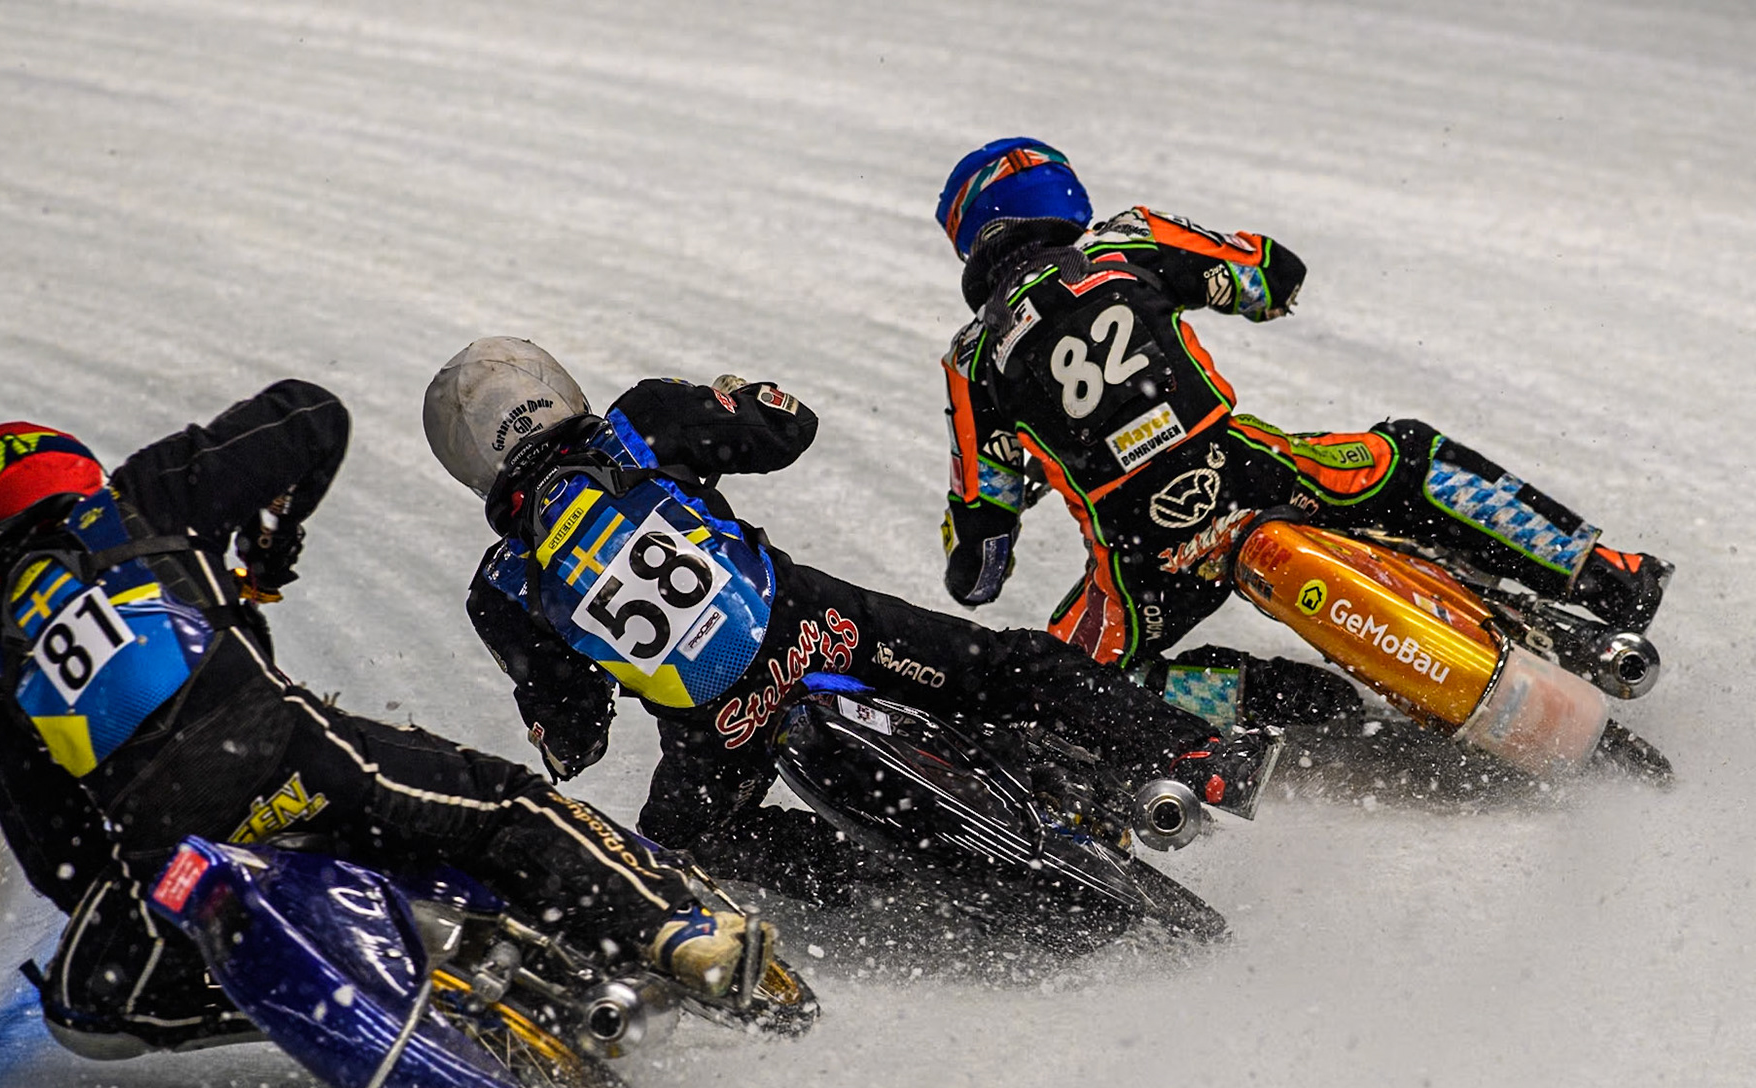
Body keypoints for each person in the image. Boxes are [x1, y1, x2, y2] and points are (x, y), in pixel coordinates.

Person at [0, 380, 764, 1058]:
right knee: (500, 804)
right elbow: (311, 415)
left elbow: (58, 857)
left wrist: (143, 891)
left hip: (173, 850)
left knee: (83, 1012)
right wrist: (274, 536)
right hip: (287, 754)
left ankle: (292, 995)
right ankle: (671, 924)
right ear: (76, 479)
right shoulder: (143, 498)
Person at [424, 337, 1272, 910]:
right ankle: (1206, 756)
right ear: (550, 385)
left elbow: (577, 732)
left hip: (717, 737)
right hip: (821, 628)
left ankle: (888, 903)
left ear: (470, 466)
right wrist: (740, 399)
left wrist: (559, 738)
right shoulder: (640, 422)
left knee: (676, 872)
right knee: (1013, 665)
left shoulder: (498, 588)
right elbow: (788, 427)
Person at [931, 137, 1673, 729]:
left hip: (1142, 558)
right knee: (1407, 457)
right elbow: (1270, 275)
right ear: (1057, 194)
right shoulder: (1125, 241)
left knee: (1060, 685)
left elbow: (980, 566)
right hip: (1256, 474)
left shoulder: (970, 361)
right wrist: (1252, 278)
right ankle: (1605, 572)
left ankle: (1269, 704)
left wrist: (1002, 505)